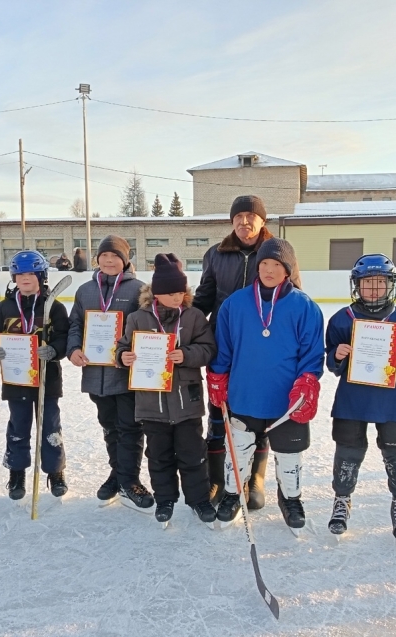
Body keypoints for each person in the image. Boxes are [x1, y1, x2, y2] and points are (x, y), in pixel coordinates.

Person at [193, 194, 304, 509]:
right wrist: (181, 324)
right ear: (232, 222)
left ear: (262, 221)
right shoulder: (215, 254)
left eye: (251, 217)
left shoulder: (278, 253)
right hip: (224, 345)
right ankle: (217, 477)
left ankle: (254, 478)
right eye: (238, 217)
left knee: (262, 413)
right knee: (220, 412)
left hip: (266, 348)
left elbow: (294, 294)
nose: (244, 222)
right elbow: (205, 297)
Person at [208, 238, 324, 533]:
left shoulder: (305, 306)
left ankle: (291, 498)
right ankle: (233, 494)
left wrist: (308, 381)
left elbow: (312, 353)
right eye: (264, 264)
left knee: (289, 453)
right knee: (238, 448)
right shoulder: (235, 304)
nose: (269, 270)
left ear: (288, 269)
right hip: (245, 394)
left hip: (287, 399)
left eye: (276, 264)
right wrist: (218, 376)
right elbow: (224, 348)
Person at [324, 254, 396, 544]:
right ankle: (342, 500)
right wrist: (337, 355)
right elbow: (330, 362)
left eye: (379, 283)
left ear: (389, 285)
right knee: (347, 449)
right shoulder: (342, 319)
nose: (373, 289)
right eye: (367, 283)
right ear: (357, 285)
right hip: (352, 399)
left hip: (392, 400)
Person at [116, 254, 218, 525]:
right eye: (171, 293)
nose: (177, 297)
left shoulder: (195, 317)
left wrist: (186, 354)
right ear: (157, 294)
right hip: (152, 404)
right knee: (158, 456)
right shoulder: (138, 319)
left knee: (193, 454)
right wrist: (122, 357)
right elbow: (124, 347)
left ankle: (199, 500)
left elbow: (208, 349)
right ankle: (165, 500)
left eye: (181, 292)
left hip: (187, 401)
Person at [67, 235, 154, 510]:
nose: (108, 260)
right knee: (109, 427)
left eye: (115, 256)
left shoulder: (139, 289)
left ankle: (130, 481)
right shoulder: (85, 291)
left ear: (125, 260)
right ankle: (117, 475)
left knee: (129, 427)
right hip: (95, 373)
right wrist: (72, 350)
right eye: (104, 255)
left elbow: (146, 328)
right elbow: (75, 325)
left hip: (125, 373)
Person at [0, 250, 71, 501]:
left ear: (41, 276)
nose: (25, 279)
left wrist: (55, 349)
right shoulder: (4, 307)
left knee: (49, 426)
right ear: (14, 277)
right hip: (17, 379)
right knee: (19, 425)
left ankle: (55, 471)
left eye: (31, 274)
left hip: (47, 378)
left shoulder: (53, 307)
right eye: (20, 274)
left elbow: (65, 336)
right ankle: (17, 471)